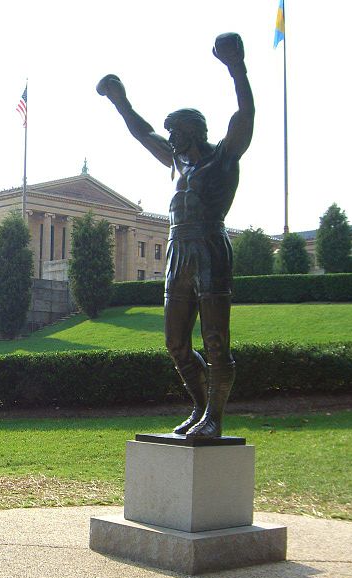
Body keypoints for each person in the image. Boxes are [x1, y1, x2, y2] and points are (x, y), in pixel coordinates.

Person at [96, 32, 254, 438]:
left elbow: (245, 115)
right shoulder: (177, 164)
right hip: (178, 252)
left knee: (216, 342)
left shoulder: (223, 157)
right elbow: (141, 132)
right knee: (175, 344)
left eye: (176, 132)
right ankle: (200, 410)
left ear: (192, 131)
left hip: (209, 247)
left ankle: (215, 420)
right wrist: (120, 100)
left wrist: (236, 66)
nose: (170, 139)